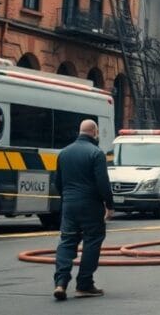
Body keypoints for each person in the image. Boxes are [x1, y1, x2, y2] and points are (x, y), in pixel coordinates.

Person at [53, 119, 114, 301]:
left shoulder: (63, 153)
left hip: (69, 205)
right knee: (92, 240)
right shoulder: (96, 153)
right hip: (90, 205)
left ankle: (60, 283)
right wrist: (109, 206)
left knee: (67, 241)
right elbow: (103, 183)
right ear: (94, 132)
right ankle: (84, 284)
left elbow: (58, 183)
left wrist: (66, 201)